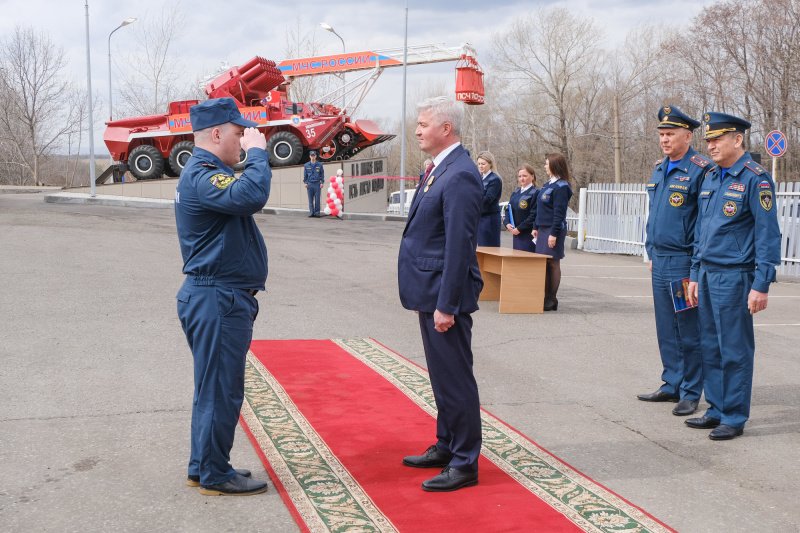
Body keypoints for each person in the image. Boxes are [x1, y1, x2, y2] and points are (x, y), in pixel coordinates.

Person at [174, 97, 271, 495]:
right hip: (217, 298)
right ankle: (215, 473)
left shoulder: (206, 171)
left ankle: (205, 465)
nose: (243, 140)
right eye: (238, 133)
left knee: (213, 387)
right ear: (216, 133)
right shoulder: (203, 173)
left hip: (218, 295)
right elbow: (251, 196)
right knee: (221, 390)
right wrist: (259, 155)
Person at [398, 96, 484, 492]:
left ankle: (465, 461)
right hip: (428, 291)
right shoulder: (440, 169)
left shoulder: (461, 173)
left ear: (445, 128)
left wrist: (446, 305)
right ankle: (447, 445)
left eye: (423, 123)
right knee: (441, 376)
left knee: (455, 379)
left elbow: (459, 245)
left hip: (442, 296)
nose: (417, 130)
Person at [684, 112, 781, 440]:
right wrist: (695, 273)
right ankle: (715, 409)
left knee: (734, 348)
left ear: (737, 140)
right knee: (710, 345)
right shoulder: (711, 176)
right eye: (708, 140)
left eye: (717, 139)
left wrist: (761, 284)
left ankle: (734, 416)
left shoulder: (756, 178)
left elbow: (768, 235)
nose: (710, 145)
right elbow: (701, 230)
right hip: (708, 275)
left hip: (736, 277)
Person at [637, 105, 709, 417]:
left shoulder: (700, 169)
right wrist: (651, 251)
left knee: (688, 329)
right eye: (662, 134)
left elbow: (702, 223)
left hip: (683, 261)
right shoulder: (659, 169)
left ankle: (691, 391)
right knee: (666, 327)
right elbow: (655, 217)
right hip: (660, 260)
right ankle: (671, 382)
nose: (665, 140)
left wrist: (695, 265)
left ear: (688, 136)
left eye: (671, 134)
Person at [533, 153, 573, 311]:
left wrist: (554, 233)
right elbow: (540, 209)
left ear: (555, 165)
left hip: (553, 229)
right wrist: (536, 227)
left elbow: (559, 213)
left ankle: (551, 299)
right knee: (544, 263)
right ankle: (545, 296)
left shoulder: (562, 187)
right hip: (542, 229)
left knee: (553, 263)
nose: (544, 166)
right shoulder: (547, 185)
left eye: (547, 163)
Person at [502, 164, 540, 252]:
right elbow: (508, 209)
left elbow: (534, 215)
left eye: (524, 176)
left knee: (526, 262)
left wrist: (520, 228)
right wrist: (507, 223)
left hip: (528, 234)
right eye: (519, 176)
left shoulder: (536, 192)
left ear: (532, 176)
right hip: (516, 234)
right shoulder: (516, 192)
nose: (521, 179)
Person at [476, 151, 503, 247]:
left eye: (483, 164)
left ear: (490, 163)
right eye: (479, 164)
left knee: (489, 247)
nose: (480, 166)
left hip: (489, 218)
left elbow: (488, 199)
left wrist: (473, 203)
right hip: (480, 217)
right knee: (481, 247)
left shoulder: (494, 179)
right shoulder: (480, 178)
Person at [303, 150, 324, 217]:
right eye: (311, 156)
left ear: (316, 156)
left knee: (317, 199)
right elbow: (305, 175)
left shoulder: (319, 165)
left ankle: (317, 213)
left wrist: (322, 182)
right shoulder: (306, 165)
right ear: (309, 156)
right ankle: (312, 213)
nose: (313, 157)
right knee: (310, 199)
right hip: (310, 184)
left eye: (314, 156)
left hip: (317, 184)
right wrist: (305, 183)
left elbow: (322, 174)